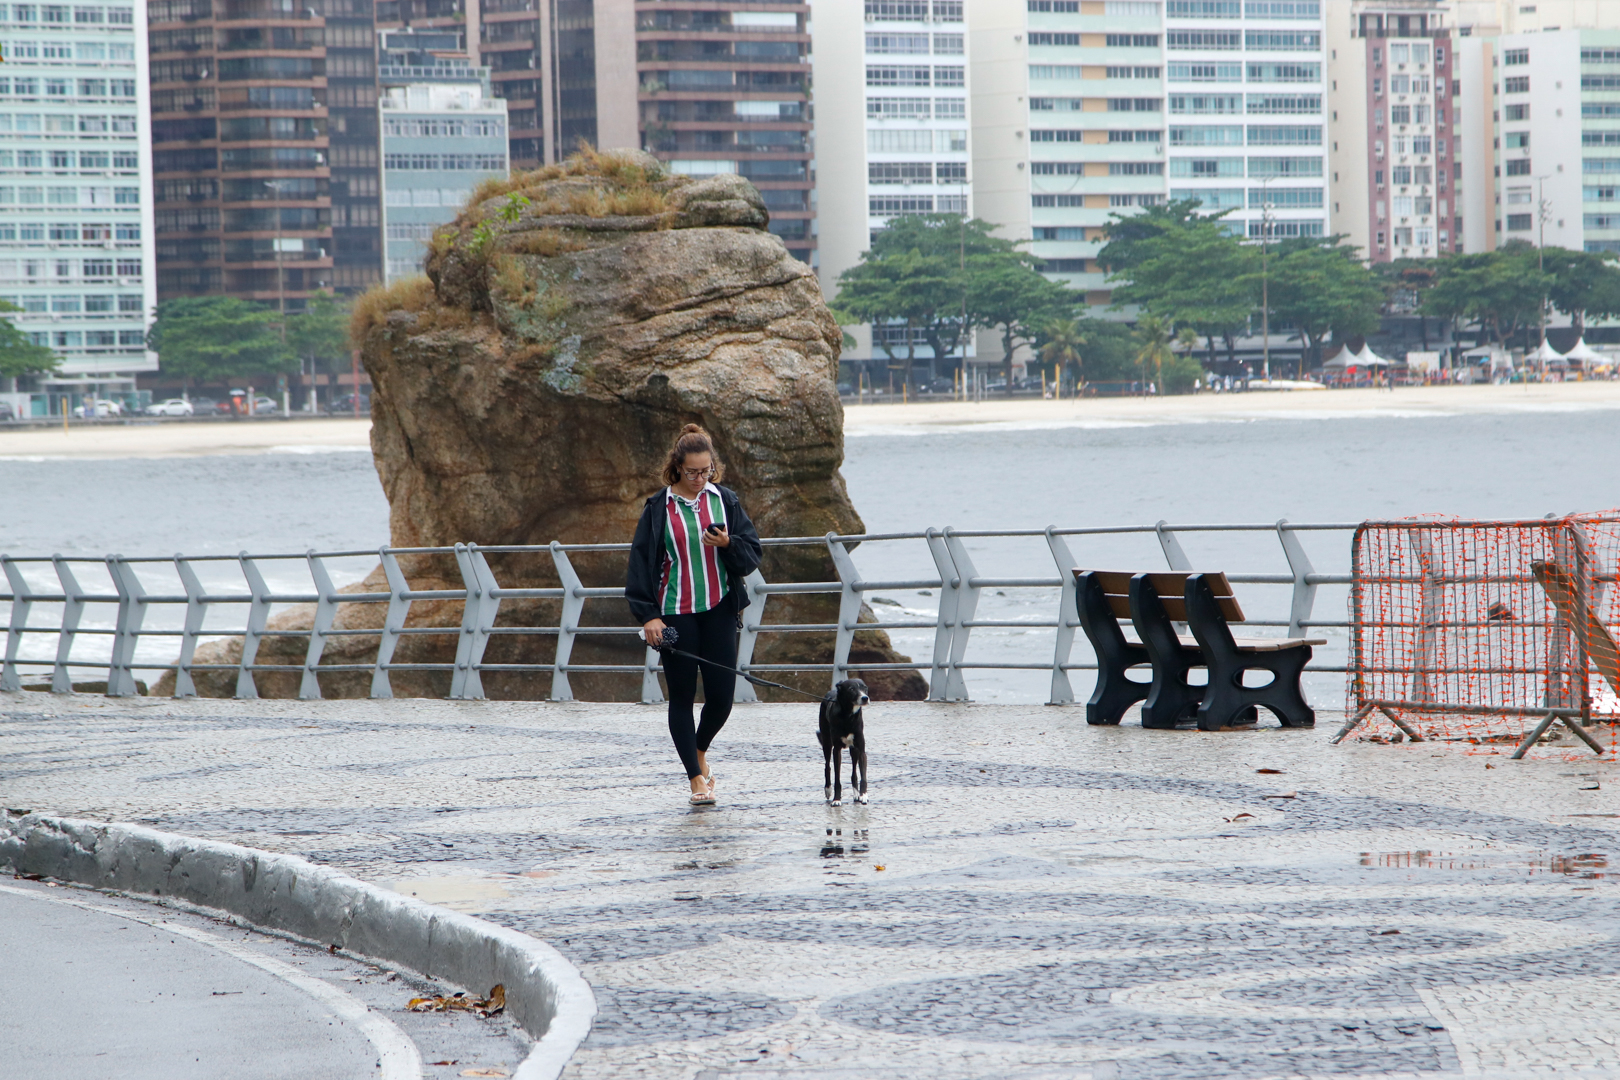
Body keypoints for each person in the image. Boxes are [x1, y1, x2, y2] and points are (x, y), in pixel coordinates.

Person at [625, 424, 763, 805]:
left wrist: (728, 543)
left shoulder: (725, 501)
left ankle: (699, 750)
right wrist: (648, 615)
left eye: (706, 471)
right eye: (692, 472)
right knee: (682, 697)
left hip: (719, 608)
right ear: (677, 468)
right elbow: (639, 564)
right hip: (674, 613)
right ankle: (695, 778)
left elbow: (751, 554)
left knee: (722, 697)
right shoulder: (658, 508)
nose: (700, 478)